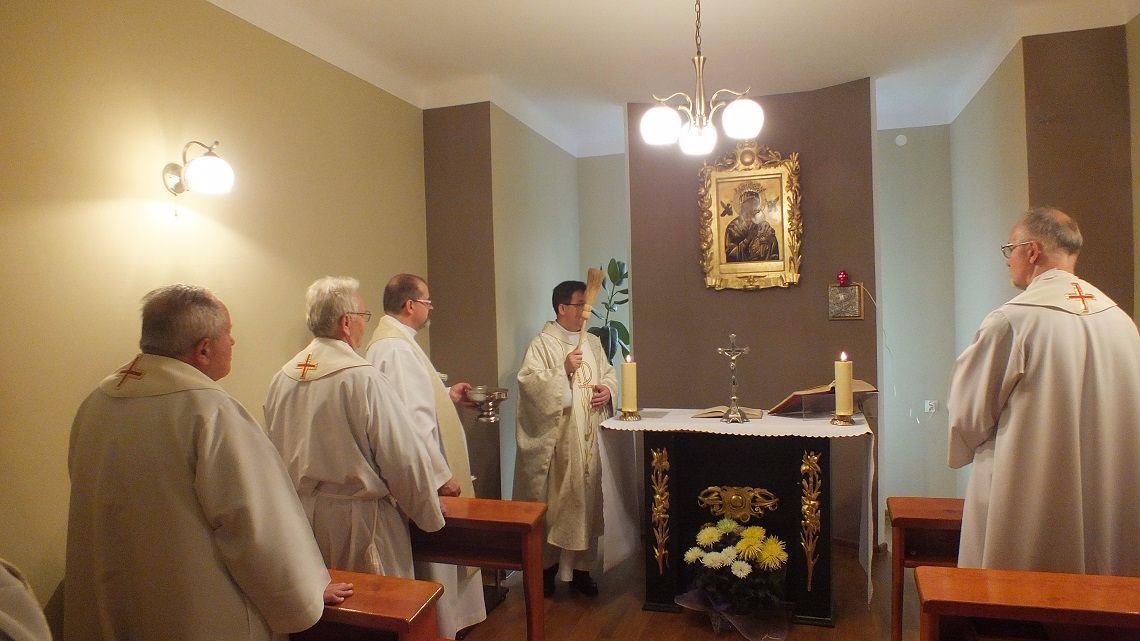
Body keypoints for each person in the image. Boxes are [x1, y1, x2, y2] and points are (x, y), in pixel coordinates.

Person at [64, 285, 351, 641]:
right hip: (193, 614)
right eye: (228, 333)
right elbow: (256, 524)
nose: (233, 342)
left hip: (114, 601)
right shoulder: (210, 411)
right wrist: (304, 592)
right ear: (204, 349)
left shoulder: (97, 403)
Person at [947, 207, 1140, 575]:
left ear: (1032, 251)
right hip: (1108, 492)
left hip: (1030, 494)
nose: (1008, 260)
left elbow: (968, 415)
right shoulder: (1121, 322)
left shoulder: (1013, 321)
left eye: (1010, 249)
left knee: (1021, 589)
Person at [264, 276, 445, 579]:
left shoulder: (283, 378)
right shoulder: (362, 378)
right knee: (379, 601)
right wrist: (428, 513)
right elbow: (401, 456)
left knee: (325, 604)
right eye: (363, 316)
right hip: (359, 523)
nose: (364, 324)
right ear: (346, 323)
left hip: (303, 519)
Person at [366, 273, 486, 637]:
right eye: (427, 302)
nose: (430, 309)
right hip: (425, 484)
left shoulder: (392, 343)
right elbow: (413, 424)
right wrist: (439, 478)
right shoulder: (397, 350)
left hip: (417, 474)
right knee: (437, 567)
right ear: (410, 305)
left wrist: (446, 395)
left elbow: (411, 402)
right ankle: (443, 630)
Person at [514, 280, 618, 597]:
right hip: (560, 441)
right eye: (580, 305)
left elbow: (608, 372)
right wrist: (562, 370)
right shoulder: (542, 344)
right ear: (562, 308)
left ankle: (583, 570)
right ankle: (545, 570)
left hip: (589, 438)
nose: (586, 311)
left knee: (587, 502)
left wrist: (607, 389)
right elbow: (529, 385)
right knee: (556, 506)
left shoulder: (594, 342)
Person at [724, 189, 779, 262]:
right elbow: (731, 255)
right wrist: (747, 240)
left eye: (757, 204)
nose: (757, 209)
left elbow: (773, 251)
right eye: (753, 204)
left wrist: (767, 240)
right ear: (744, 207)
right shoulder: (733, 228)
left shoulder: (764, 226)